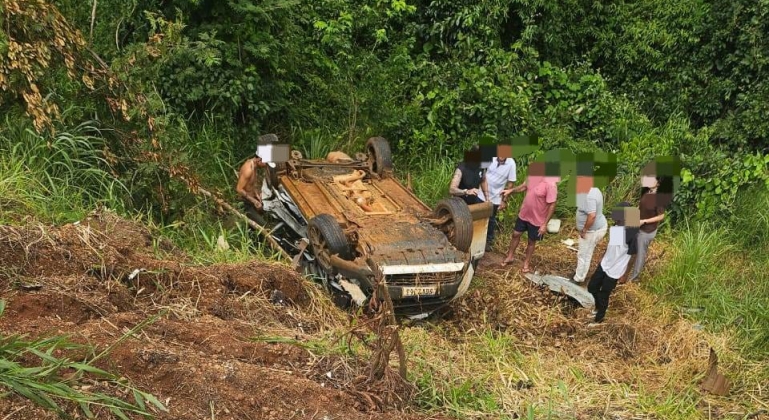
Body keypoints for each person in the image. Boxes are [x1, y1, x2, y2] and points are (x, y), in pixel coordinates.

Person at [500, 161, 558, 273]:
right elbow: (523, 187)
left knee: (531, 241)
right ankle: (510, 256)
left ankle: (526, 262)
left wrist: (544, 224)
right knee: (515, 234)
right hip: (524, 214)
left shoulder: (550, 184)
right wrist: (511, 191)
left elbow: (552, 205)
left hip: (537, 220)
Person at [587, 202, 639, 324]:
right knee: (592, 287)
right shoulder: (617, 225)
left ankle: (599, 318)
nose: (613, 217)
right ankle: (599, 307)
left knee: (604, 294)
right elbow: (612, 245)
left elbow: (633, 256)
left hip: (616, 270)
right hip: (605, 263)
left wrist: (625, 274)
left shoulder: (633, 233)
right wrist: (602, 257)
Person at [628, 175, 672, 282]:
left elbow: (661, 216)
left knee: (640, 254)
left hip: (647, 230)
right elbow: (640, 207)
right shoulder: (647, 192)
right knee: (631, 249)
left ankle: (634, 279)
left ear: (658, 183)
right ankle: (625, 274)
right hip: (637, 225)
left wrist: (645, 221)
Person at [572, 175, 607, 283]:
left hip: (592, 231)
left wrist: (584, 230)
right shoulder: (594, 189)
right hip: (597, 227)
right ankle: (581, 273)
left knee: (584, 254)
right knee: (586, 252)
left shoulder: (589, 196)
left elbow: (592, 216)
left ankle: (579, 278)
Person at [482, 156, 517, 251]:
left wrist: (504, 200)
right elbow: (482, 173)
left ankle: (488, 242)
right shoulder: (491, 157)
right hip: (481, 193)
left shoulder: (511, 163)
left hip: (496, 196)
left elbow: (510, 183)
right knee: (477, 216)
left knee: (491, 219)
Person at [236, 152, 269, 224]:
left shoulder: (254, 165)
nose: (266, 165)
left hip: (252, 199)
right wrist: (254, 201)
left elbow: (251, 184)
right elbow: (239, 189)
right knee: (263, 225)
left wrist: (257, 194)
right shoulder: (248, 169)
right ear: (260, 159)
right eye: (266, 162)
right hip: (245, 203)